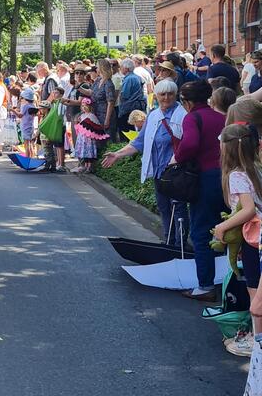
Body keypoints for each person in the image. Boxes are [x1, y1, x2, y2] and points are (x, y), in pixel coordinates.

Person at [102, 79, 188, 247]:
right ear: (156, 95)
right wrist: (118, 155)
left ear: (175, 94)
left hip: (177, 173)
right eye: (162, 94)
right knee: (164, 208)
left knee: (178, 210)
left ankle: (181, 246)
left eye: (170, 94)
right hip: (158, 173)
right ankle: (168, 242)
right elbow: (139, 142)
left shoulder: (183, 115)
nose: (166, 98)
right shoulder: (153, 115)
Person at [211, 123, 262, 357]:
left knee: (255, 291)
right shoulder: (256, 167)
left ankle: (256, 340)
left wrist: (223, 226)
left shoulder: (236, 175)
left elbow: (248, 209)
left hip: (253, 239)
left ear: (228, 149)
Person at [175, 79, 226, 301]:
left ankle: (206, 285)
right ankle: (227, 283)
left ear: (186, 102)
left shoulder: (192, 118)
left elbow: (190, 144)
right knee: (225, 229)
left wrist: (177, 159)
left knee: (200, 232)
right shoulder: (221, 117)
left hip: (204, 179)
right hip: (226, 178)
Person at [72, 98, 107, 173]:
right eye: (82, 106)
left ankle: (89, 167)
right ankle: (85, 166)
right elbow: (80, 126)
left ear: (90, 107)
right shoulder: (81, 116)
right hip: (82, 138)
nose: (84, 108)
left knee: (89, 153)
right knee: (84, 152)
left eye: (86, 106)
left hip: (89, 139)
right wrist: (77, 123)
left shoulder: (92, 116)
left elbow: (96, 126)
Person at [87, 59, 116, 150]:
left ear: (102, 68)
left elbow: (110, 102)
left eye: (97, 66)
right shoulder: (98, 80)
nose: (96, 68)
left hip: (105, 114)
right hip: (97, 114)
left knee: (107, 140)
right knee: (98, 140)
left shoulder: (108, 83)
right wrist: (79, 88)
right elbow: (91, 92)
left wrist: (107, 120)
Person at [117, 58, 146, 134]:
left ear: (126, 68)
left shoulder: (129, 79)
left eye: (121, 67)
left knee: (127, 131)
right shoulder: (136, 77)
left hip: (129, 108)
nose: (120, 69)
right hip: (135, 106)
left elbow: (124, 95)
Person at [14, 89, 37, 158]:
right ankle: (31, 158)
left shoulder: (26, 106)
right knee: (30, 144)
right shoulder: (33, 105)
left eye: (22, 98)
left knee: (26, 144)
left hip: (25, 126)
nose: (21, 99)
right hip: (30, 126)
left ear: (25, 98)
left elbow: (20, 115)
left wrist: (12, 110)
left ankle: (27, 158)